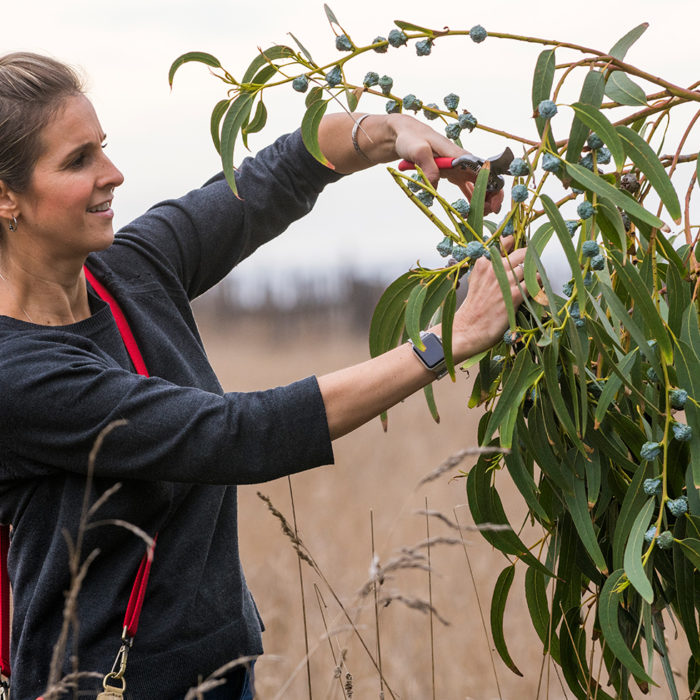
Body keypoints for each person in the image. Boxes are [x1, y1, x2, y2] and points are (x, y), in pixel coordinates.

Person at [0, 52, 527, 699]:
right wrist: (450, 340)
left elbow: (283, 171)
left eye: (104, 149)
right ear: (6, 196)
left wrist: (395, 132)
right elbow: (236, 435)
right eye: (79, 160)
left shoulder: (136, 270)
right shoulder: (18, 377)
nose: (113, 174)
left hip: (225, 675)